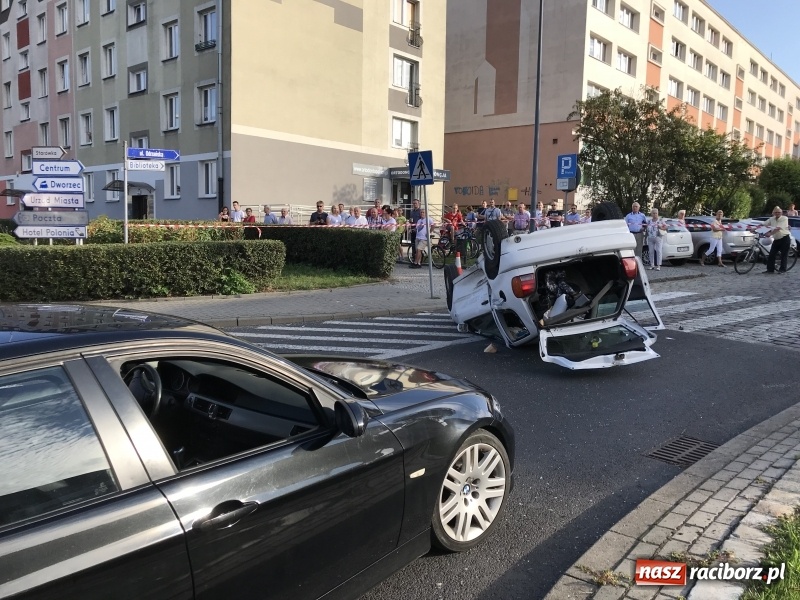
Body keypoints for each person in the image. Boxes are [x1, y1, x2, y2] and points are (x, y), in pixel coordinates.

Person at [763, 205, 791, 274]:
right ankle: (770, 269)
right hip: (776, 239)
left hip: (784, 238)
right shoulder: (771, 219)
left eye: (779, 212)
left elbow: (778, 228)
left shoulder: (784, 218)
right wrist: (754, 229)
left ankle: (783, 269)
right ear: (773, 213)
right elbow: (763, 224)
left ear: (781, 213)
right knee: (772, 254)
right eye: (776, 212)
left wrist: (770, 234)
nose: (777, 213)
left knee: (783, 255)